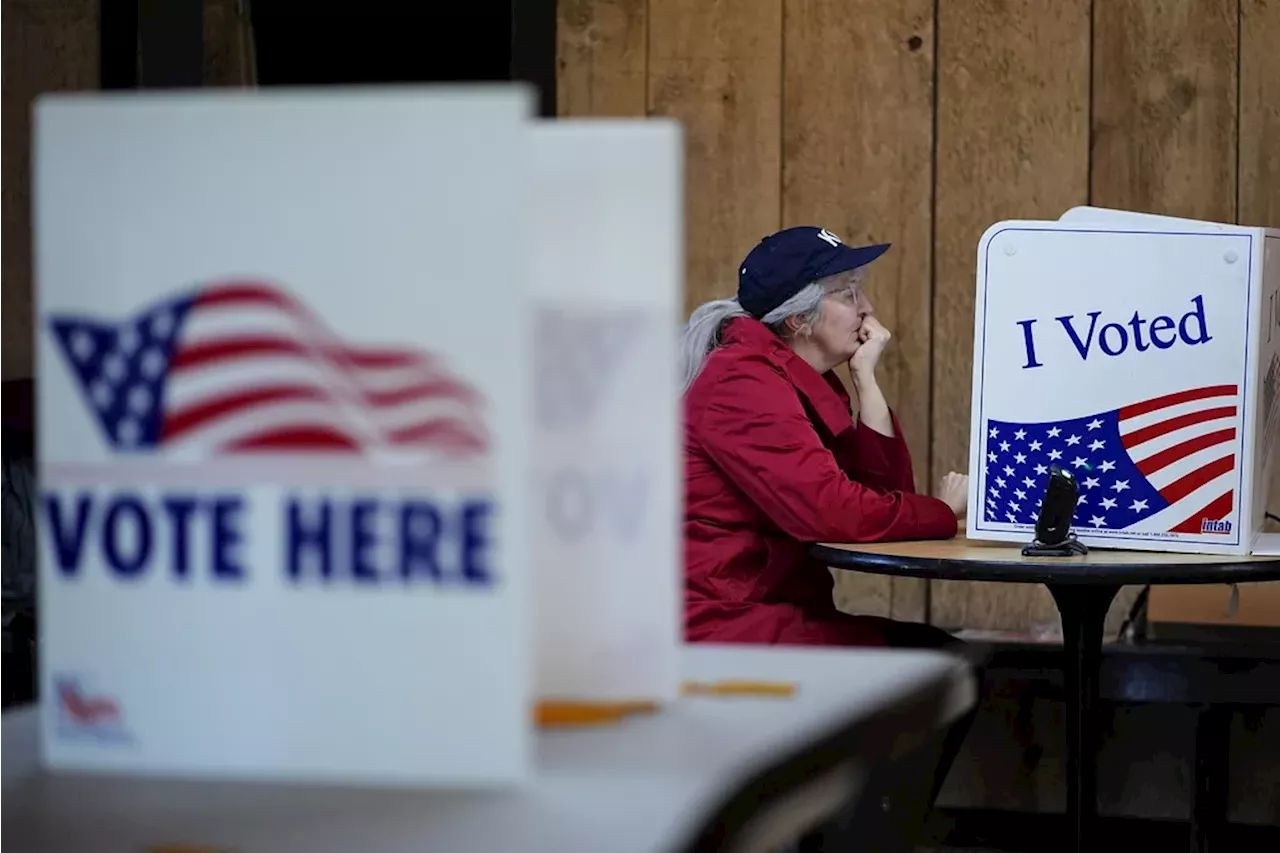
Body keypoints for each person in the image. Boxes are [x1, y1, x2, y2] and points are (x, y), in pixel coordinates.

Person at [682, 225, 969, 648]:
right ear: (799, 318)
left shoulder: (785, 378)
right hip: (720, 625)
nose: (867, 308)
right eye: (849, 293)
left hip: (767, 610)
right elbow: (831, 511)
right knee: (939, 662)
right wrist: (942, 511)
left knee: (940, 658)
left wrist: (865, 379)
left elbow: (884, 496)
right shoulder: (740, 381)